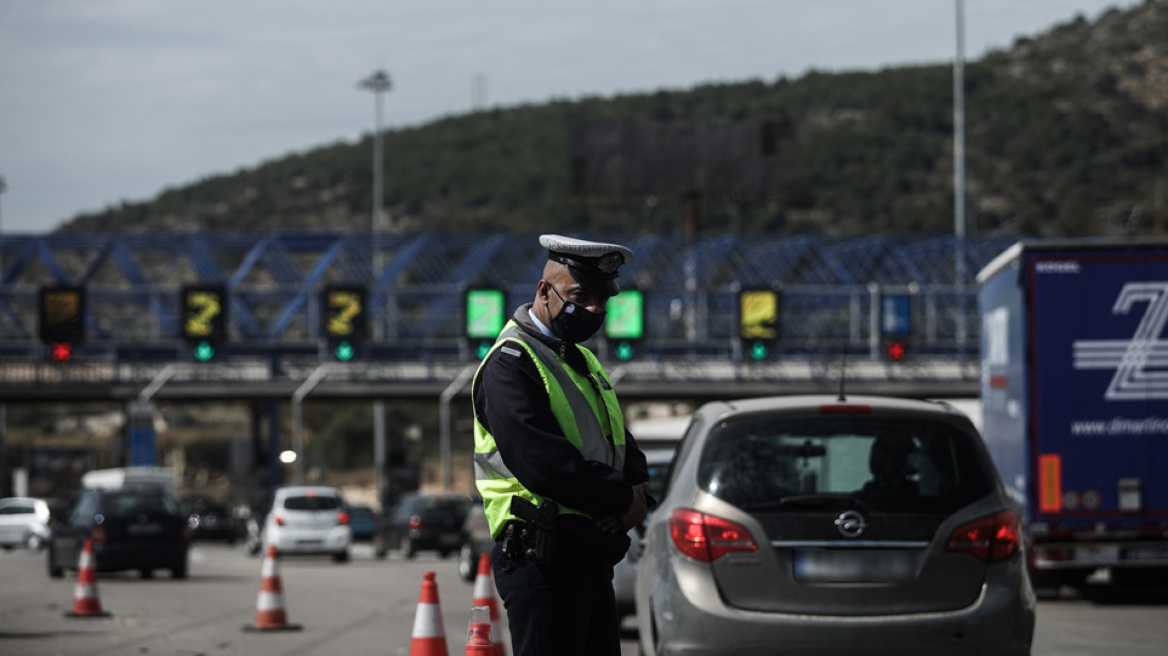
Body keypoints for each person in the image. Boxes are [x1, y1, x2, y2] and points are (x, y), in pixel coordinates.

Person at [471, 234, 652, 656]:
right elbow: (543, 464)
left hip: (588, 552)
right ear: (543, 291)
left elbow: (617, 437)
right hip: (541, 554)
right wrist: (621, 495)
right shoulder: (510, 362)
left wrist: (640, 489)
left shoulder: (581, 359)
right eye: (579, 296)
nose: (593, 309)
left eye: (600, 302)